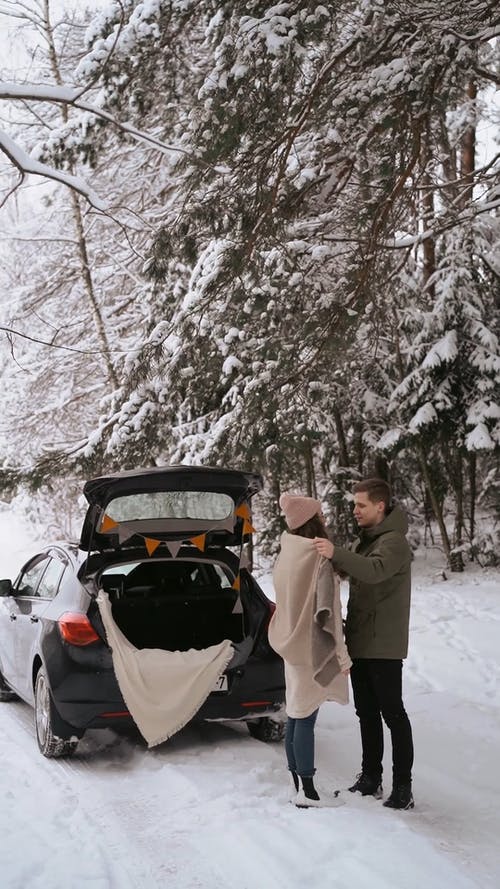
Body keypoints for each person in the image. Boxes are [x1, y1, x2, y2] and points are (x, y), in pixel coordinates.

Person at [313, 477, 414, 810]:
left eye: (361, 505)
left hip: (383, 644)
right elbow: (351, 570)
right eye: (354, 504)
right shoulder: (364, 541)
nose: (354, 510)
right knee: (366, 714)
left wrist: (336, 552)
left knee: (393, 715)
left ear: (380, 506)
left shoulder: (394, 542)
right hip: (360, 641)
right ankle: (371, 778)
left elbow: (374, 571)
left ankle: (403, 788)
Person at [268, 493, 352, 809]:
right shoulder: (318, 558)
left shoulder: (286, 551)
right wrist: (342, 657)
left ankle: (297, 785)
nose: (326, 520)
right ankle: (308, 791)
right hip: (310, 649)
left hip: (290, 644)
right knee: (305, 718)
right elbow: (329, 613)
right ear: (313, 521)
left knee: (295, 713)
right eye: (321, 515)